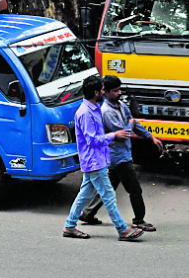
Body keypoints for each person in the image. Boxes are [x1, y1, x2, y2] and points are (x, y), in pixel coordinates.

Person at [62, 74, 145, 242]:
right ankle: (122, 230)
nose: (103, 92)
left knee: (84, 195)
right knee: (108, 195)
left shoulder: (94, 109)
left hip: (96, 160)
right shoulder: (86, 113)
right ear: (95, 92)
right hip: (94, 161)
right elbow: (92, 140)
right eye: (101, 90)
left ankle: (70, 226)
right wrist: (114, 135)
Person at [79, 75, 164, 232]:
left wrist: (151, 137)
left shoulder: (122, 105)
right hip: (117, 157)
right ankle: (139, 220)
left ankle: (88, 213)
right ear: (106, 92)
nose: (119, 93)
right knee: (135, 189)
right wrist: (130, 125)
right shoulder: (106, 112)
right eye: (115, 90)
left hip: (120, 155)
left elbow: (133, 123)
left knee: (108, 187)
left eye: (119, 89)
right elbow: (123, 132)